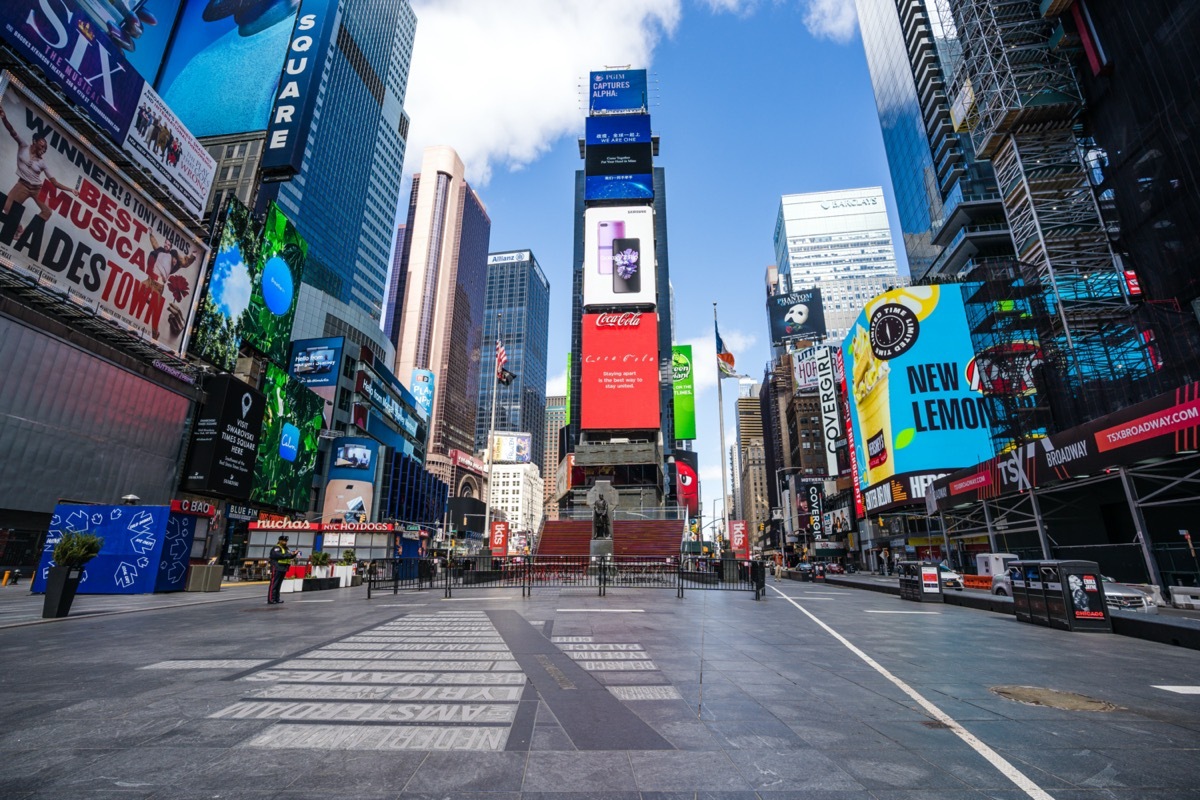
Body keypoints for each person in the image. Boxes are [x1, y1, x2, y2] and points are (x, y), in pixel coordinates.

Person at [1, 105, 75, 241]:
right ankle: (19, 229)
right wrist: (4, 118)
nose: (43, 149)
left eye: (45, 148)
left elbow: (54, 183)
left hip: (36, 189)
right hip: (22, 185)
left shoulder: (42, 163)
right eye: (42, 146)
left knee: (47, 212)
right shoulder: (23, 146)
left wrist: (70, 190)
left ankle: (27, 233)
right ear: (34, 142)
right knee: (7, 208)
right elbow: (12, 131)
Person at [267, 535, 299, 605]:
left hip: (283, 568)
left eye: (286, 541)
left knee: (279, 584)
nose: (285, 542)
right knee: (274, 583)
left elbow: (289, 555)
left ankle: (277, 598)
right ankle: (271, 599)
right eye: (283, 541)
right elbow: (279, 555)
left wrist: (294, 554)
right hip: (277, 567)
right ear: (280, 541)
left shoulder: (286, 548)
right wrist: (290, 555)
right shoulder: (276, 548)